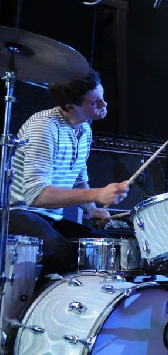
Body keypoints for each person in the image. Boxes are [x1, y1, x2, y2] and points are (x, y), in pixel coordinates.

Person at [8, 68, 129, 290]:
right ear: (69, 106)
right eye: (95, 103)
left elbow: (78, 179)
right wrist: (98, 193)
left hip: (48, 217)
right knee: (57, 249)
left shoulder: (84, 129)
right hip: (17, 212)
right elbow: (37, 196)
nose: (104, 105)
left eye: (102, 97)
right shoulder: (44, 127)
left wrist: (92, 209)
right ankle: (27, 310)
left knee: (100, 246)